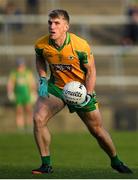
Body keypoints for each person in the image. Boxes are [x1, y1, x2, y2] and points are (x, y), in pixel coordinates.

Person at [32, 9, 133, 174]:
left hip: (80, 90)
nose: (52, 26)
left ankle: (116, 161)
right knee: (38, 119)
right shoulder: (41, 45)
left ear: (66, 26)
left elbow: (91, 71)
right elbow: (39, 58)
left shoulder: (80, 45)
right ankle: (46, 164)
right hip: (57, 88)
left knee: (97, 131)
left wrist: (89, 93)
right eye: (50, 22)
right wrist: (43, 78)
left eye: (57, 23)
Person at [7, 58, 37, 131]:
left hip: (27, 95)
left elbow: (32, 83)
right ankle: (20, 128)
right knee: (19, 111)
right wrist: (10, 93)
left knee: (29, 110)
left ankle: (30, 126)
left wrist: (34, 92)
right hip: (18, 95)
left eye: (22, 65)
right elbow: (10, 83)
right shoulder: (14, 73)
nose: (21, 67)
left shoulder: (27, 73)